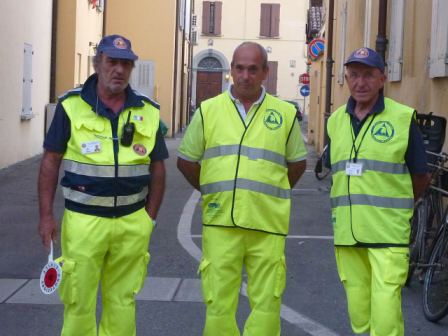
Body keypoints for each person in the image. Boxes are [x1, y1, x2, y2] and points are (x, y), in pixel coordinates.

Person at [37, 34, 167, 336]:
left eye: (126, 64)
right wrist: (45, 216)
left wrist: (149, 217)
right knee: (78, 300)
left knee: (122, 301)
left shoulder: (147, 110)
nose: (118, 70)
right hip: (84, 223)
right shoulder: (71, 106)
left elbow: (158, 167)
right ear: (98, 64)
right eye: (112, 62)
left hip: (132, 223)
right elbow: (50, 161)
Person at [177, 42, 307, 336]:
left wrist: (273, 192)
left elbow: (297, 164)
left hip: (267, 224)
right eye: (239, 68)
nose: (245, 75)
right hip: (220, 222)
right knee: (218, 304)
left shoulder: (284, 114)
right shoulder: (209, 110)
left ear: (265, 72)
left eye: (252, 69)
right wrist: (212, 191)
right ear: (231, 70)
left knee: (267, 306)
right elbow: (185, 160)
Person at [326, 47, 430, 336]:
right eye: (354, 75)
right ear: (346, 78)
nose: (361, 83)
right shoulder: (335, 121)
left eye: (369, 75)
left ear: (382, 79)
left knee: (384, 315)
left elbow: (420, 175)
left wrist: (401, 209)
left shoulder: (401, 118)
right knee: (358, 313)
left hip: (387, 234)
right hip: (347, 233)